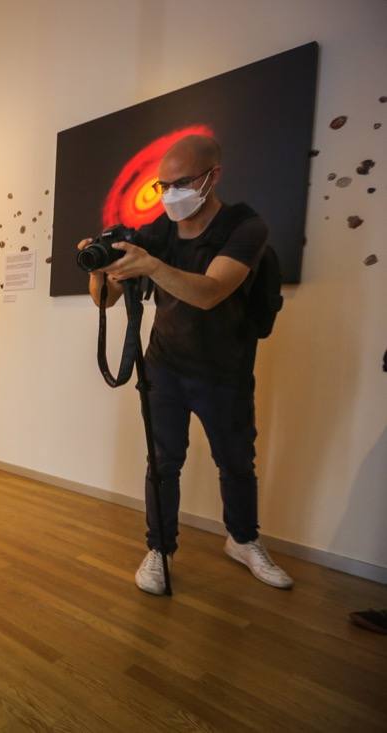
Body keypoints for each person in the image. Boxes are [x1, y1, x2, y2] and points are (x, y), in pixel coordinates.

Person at [79, 134, 293, 594]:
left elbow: (210, 291)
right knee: (162, 462)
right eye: (163, 185)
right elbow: (107, 298)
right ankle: (159, 549)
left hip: (225, 369)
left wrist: (151, 266)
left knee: (236, 461)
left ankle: (243, 539)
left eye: (181, 183)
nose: (170, 194)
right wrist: (99, 268)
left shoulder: (245, 227)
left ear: (212, 177)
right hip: (165, 366)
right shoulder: (158, 231)